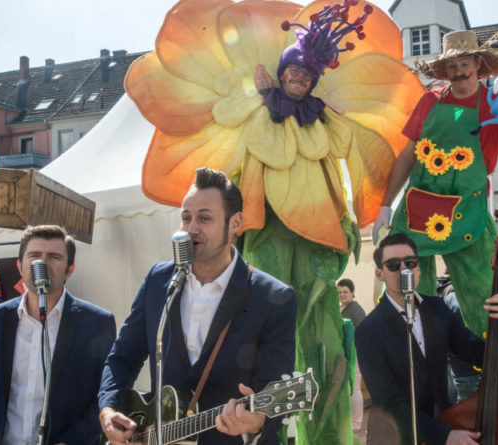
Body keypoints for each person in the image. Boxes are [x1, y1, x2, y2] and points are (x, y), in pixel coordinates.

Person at [123, 2, 423, 440]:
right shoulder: (255, 109)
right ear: (281, 70)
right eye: (294, 71)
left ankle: (321, 431)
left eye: (308, 75)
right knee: (267, 329)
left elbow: (346, 147)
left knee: (319, 334)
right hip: (267, 232)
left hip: (319, 236)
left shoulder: (324, 118)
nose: (300, 79)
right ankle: (272, 432)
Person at [371, 28, 498, 415]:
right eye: (452, 66)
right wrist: (385, 204)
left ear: (479, 65)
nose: (459, 72)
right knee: (407, 309)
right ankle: (415, 408)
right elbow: (409, 155)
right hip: (415, 216)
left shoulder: (496, 101)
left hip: (469, 216)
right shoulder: (429, 100)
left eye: (464, 65)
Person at [98, 168, 297, 445]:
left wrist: (258, 422)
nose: (191, 229)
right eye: (185, 218)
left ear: (235, 223)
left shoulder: (272, 296)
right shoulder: (159, 280)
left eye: (204, 218)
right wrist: (108, 408)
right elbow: (122, 357)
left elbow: (274, 390)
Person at [355, 233, 498, 445]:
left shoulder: (437, 308)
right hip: (397, 437)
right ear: (379, 274)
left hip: (443, 423)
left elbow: (479, 355)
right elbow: (388, 402)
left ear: (418, 269)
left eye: (410, 262)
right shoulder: (368, 330)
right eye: (393, 265)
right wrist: (444, 435)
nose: (404, 269)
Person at [0, 225, 116, 444]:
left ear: (70, 270)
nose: (42, 263)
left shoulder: (96, 323)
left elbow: (102, 396)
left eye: (54, 257)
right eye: (34, 255)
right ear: (20, 266)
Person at [338, 278, 367, 433]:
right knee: (350, 388)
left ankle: (356, 422)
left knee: (354, 388)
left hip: (356, 354)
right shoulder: (343, 307)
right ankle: (350, 420)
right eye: (340, 292)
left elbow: (364, 334)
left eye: (345, 292)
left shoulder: (356, 310)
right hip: (347, 354)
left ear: (353, 292)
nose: (342, 295)